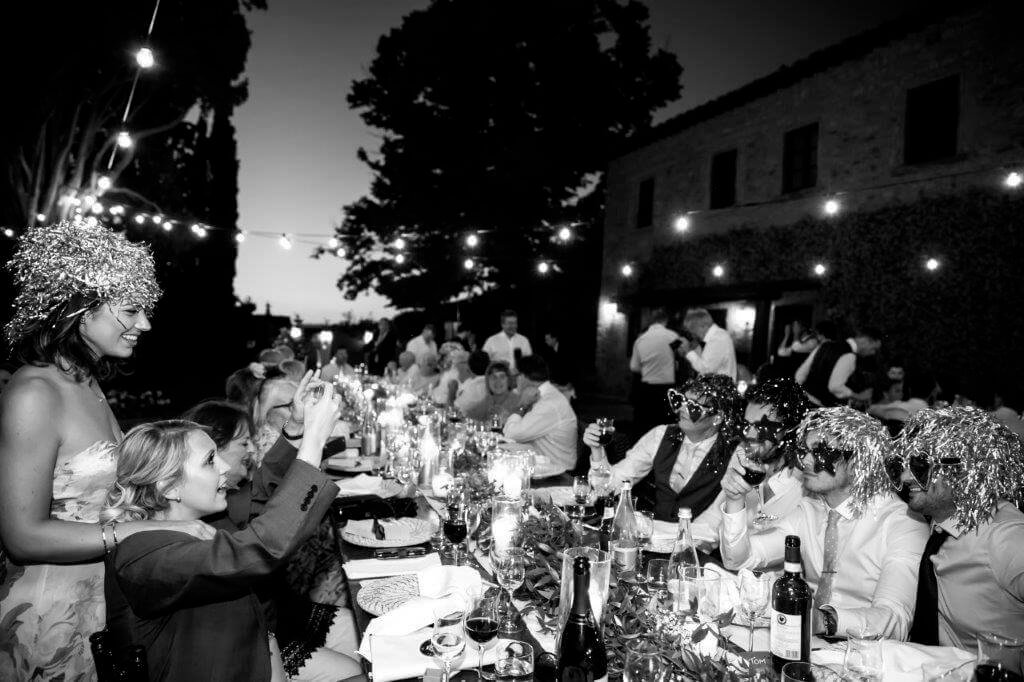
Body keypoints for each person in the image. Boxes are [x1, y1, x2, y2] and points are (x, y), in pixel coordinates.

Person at [0, 221, 213, 681]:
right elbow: (22, 535)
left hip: (102, 601)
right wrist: (139, 533)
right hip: (49, 620)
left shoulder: (86, 381)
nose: (146, 324)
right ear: (78, 309)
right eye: (132, 310)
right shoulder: (34, 393)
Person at [102, 383, 343, 681]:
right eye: (209, 461)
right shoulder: (143, 556)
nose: (225, 468)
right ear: (169, 486)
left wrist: (295, 430)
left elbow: (264, 506)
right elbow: (261, 546)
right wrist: (314, 442)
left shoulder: (203, 521)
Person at [182, 395, 363, 679]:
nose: (253, 449)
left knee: (363, 631)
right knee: (355, 665)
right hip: (247, 643)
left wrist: (294, 428)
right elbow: (270, 537)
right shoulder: (193, 528)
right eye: (244, 443)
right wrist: (312, 440)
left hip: (272, 617)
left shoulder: (220, 500)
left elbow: (264, 487)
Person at [719, 407, 927, 639]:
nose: (805, 461)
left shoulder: (902, 523)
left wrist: (823, 620)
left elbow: (894, 620)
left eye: (821, 452)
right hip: (806, 641)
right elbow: (739, 558)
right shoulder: (809, 509)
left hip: (865, 654)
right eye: (804, 451)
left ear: (858, 462)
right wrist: (734, 500)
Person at [887, 406, 1024, 650]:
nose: (906, 477)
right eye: (904, 464)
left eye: (920, 465)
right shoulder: (940, 522)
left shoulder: (1004, 537)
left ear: (964, 472)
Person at [584, 374, 744, 521]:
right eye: (680, 401)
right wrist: (597, 450)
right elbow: (608, 487)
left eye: (693, 407)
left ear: (717, 418)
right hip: (654, 538)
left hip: (698, 546)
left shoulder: (734, 454)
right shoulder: (660, 435)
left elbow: (716, 523)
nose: (682, 409)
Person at [690, 377, 811, 545]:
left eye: (762, 427)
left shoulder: (808, 481)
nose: (750, 435)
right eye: (748, 425)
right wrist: (685, 541)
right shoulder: (744, 454)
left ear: (790, 431)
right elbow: (714, 517)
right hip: (730, 563)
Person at [501, 356, 577, 473]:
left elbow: (511, 434)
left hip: (560, 474)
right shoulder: (545, 395)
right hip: (544, 464)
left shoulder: (548, 403)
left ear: (522, 377)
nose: (515, 383)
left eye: (515, 377)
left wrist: (522, 405)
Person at [795, 327, 883, 407]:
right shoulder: (850, 356)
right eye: (874, 349)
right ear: (866, 341)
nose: (873, 353)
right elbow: (835, 387)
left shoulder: (825, 345)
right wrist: (859, 396)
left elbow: (800, 375)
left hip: (801, 398)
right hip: (817, 406)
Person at [629, 308, 679, 436]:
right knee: (666, 427)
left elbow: (634, 367)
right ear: (665, 321)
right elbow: (680, 358)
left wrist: (648, 370)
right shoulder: (672, 336)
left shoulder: (640, 340)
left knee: (646, 427)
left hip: (647, 389)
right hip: (667, 388)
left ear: (651, 321)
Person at [675, 308, 737, 381]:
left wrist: (688, 351)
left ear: (703, 326)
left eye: (693, 331)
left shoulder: (718, 338)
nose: (693, 335)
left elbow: (706, 370)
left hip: (719, 390)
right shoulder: (717, 336)